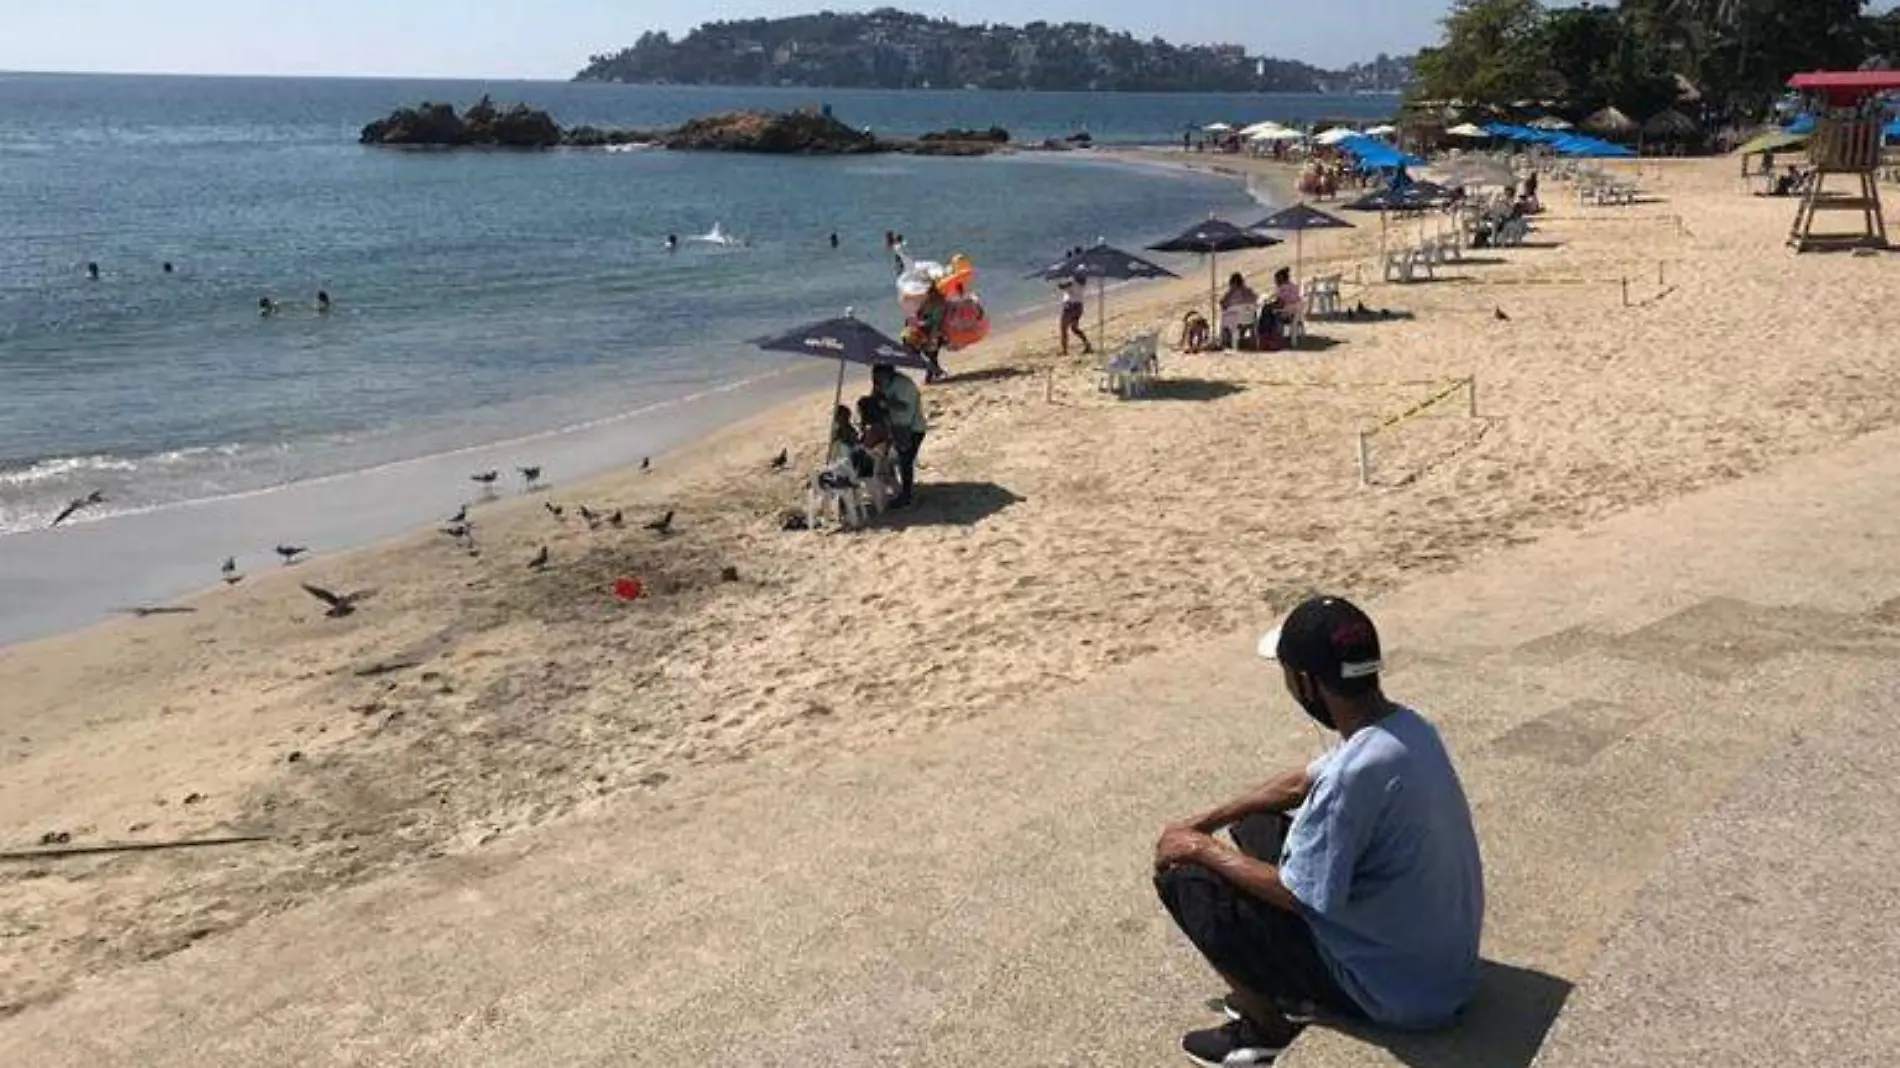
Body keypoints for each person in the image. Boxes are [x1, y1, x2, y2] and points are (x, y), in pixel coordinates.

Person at [1153, 596, 1484, 1067]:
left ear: (1306, 682)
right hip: (1442, 969)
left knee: (1184, 876)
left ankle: (1264, 1027)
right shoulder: (1406, 729)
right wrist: (1207, 820)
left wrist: (1198, 847)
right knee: (1257, 823)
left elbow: (1297, 895)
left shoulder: (1352, 777)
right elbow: (1300, 782)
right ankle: (1284, 984)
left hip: (1400, 995)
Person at [872, 363, 926, 508]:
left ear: (887, 373)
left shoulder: (904, 385)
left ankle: (906, 495)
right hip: (897, 426)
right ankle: (902, 489)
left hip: (912, 428)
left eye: (878, 376)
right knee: (899, 459)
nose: (877, 379)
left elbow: (904, 407)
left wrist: (884, 401)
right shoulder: (885, 383)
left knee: (905, 461)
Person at [1219, 272, 1259, 350]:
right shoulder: (1248, 291)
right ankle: (1253, 342)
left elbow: (1222, 304)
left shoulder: (1230, 293)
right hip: (1249, 319)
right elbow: (1255, 300)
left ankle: (1227, 342)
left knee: (1225, 318)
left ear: (1233, 283)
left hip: (1235, 320)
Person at [1058, 274, 1093, 357]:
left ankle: (1064, 351)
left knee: (1063, 329)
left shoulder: (1071, 282)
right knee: (1074, 328)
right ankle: (1087, 344)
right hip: (1079, 307)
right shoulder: (1082, 283)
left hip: (1070, 307)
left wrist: (1058, 279)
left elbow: (1062, 286)